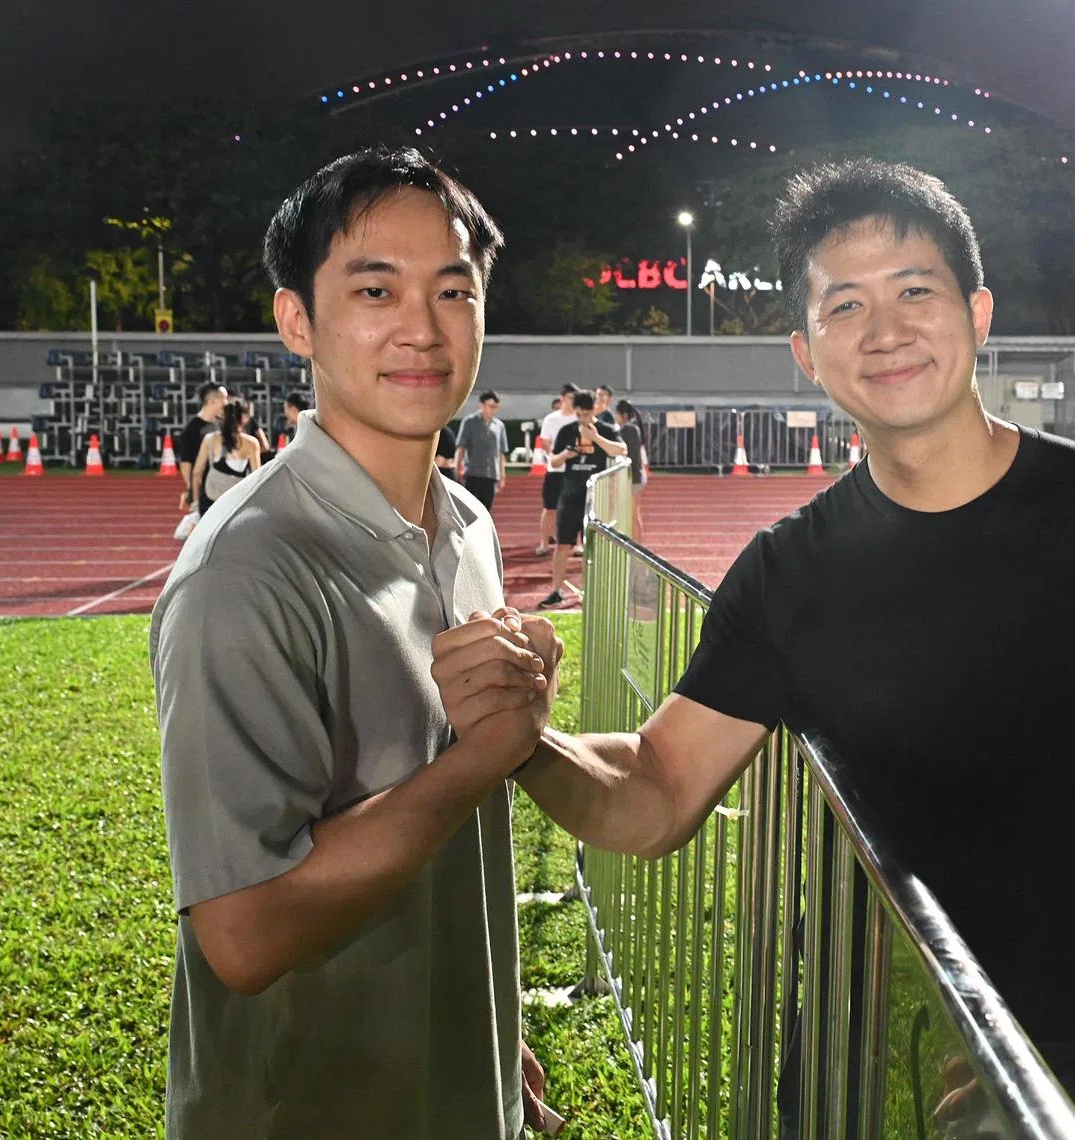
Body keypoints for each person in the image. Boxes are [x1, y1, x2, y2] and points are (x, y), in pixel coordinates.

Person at [433, 158, 1075, 1116]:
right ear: (806, 354)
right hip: (861, 1066)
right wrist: (523, 738)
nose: (887, 330)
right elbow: (656, 786)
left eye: (915, 291)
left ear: (978, 314)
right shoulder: (788, 573)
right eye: (845, 305)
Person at [150, 145, 552, 1140]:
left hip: (450, 1081)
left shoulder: (465, 525)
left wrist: (485, 1028)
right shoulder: (247, 571)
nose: (421, 327)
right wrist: (484, 758)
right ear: (299, 321)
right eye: (375, 287)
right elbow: (242, 934)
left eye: (453, 292)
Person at [537, 390, 626, 609]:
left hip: (595, 498)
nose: (583, 419)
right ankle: (556, 591)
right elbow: (554, 462)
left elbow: (621, 450)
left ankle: (592, 592)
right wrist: (566, 455)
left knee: (593, 549)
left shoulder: (606, 429)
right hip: (569, 496)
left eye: (586, 414)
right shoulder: (567, 431)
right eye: (579, 415)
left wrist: (595, 438)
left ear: (593, 410)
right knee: (562, 546)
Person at [190, 396, 261, 515]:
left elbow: (197, 472)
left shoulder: (210, 440)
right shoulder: (251, 443)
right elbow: (257, 477)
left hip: (210, 500)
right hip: (236, 502)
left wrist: (195, 501)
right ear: (243, 418)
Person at [534, 385, 579, 556]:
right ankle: (544, 543)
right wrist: (555, 455)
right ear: (562, 398)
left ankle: (577, 544)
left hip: (575, 471)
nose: (572, 401)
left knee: (576, 508)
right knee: (550, 508)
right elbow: (545, 442)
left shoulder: (579, 418)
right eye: (569, 397)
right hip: (555, 470)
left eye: (574, 397)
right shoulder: (551, 419)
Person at [176, 380, 227, 512]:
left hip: (219, 485)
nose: (226, 403)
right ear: (212, 401)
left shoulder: (221, 425)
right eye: (224, 399)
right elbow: (186, 462)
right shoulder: (192, 429)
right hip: (203, 489)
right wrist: (192, 489)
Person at [455, 388, 508, 510]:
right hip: (472, 473)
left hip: (491, 475)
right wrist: (457, 468)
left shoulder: (499, 426)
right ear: (482, 405)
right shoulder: (469, 422)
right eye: (491, 406)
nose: (493, 410)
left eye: (496, 407)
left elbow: (501, 453)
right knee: (469, 510)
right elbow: (461, 447)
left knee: (486, 510)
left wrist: (502, 475)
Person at [614, 398, 646, 542]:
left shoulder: (629, 430)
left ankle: (638, 546)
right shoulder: (630, 428)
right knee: (632, 514)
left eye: (617, 414)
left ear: (624, 415)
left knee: (633, 514)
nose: (615, 417)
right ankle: (636, 544)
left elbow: (626, 452)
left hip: (633, 476)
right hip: (634, 475)